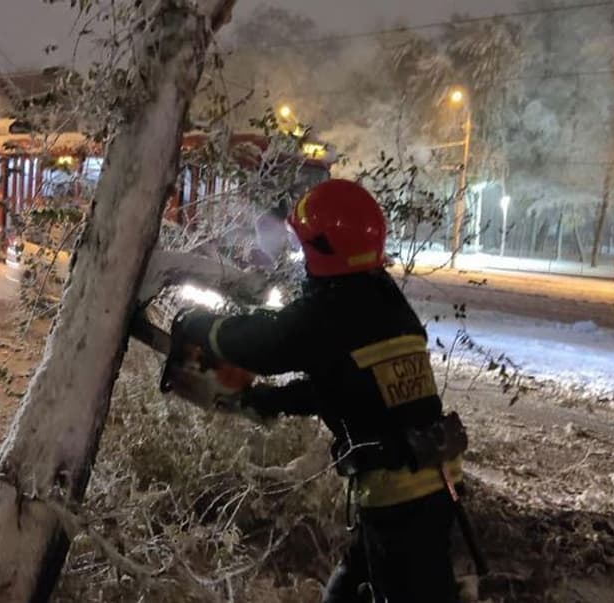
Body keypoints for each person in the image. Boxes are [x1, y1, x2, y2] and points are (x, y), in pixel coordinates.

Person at [169, 179, 466, 602]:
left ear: (323, 250)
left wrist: (198, 326)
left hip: (400, 501)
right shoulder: (381, 298)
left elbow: (266, 343)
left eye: (305, 246)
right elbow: (345, 385)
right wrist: (268, 399)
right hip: (427, 488)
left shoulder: (334, 308)